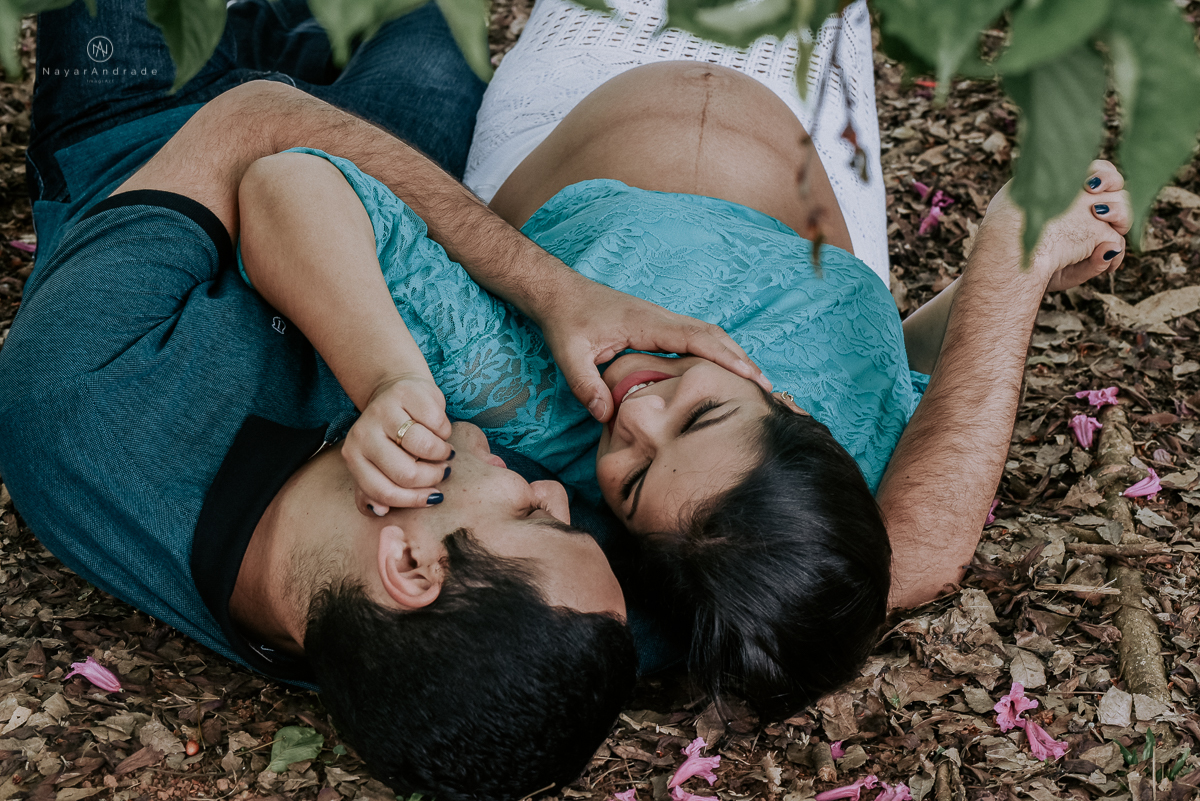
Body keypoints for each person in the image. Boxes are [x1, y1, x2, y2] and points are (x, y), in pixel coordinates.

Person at [235, 0, 1132, 720]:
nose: (635, 413)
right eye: (700, 415)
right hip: (806, 95)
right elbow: (899, 388)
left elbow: (284, 181)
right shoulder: (818, 503)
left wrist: (394, 369)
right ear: (798, 413)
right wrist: (1017, 263)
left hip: (602, 57)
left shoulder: (524, 394)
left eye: (629, 478)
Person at [0, 1, 769, 797]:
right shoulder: (501, 643)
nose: (561, 493)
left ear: (408, 561)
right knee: (432, 28)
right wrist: (561, 295)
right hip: (359, 192)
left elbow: (253, 121)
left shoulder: (77, 400)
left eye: (532, 515)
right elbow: (790, 575)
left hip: (151, 144)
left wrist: (388, 375)